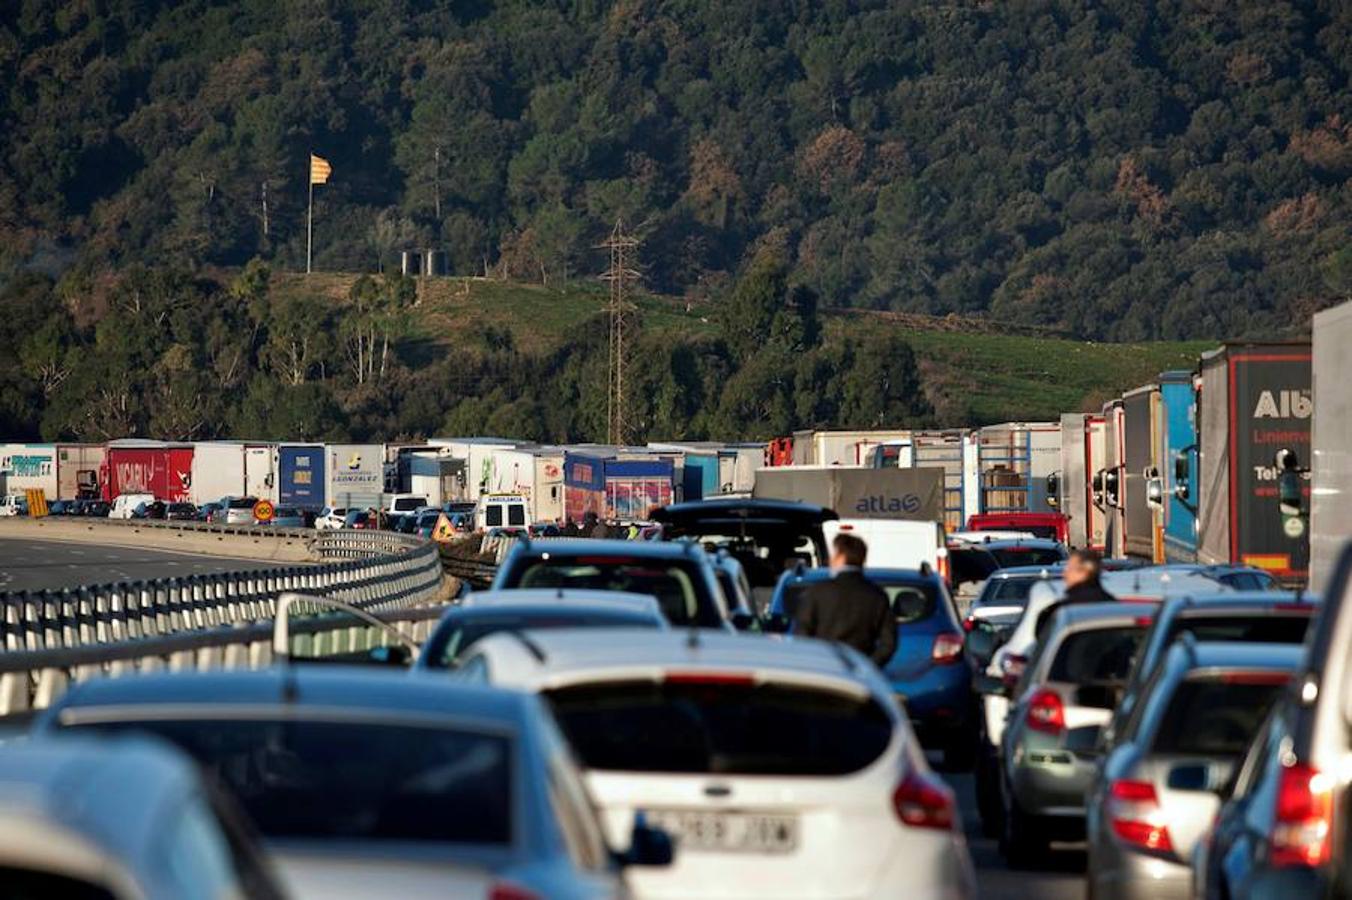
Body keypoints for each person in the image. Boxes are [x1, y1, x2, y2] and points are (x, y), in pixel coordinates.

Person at [794, 533, 897, 667]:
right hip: (859, 669)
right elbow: (888, 643)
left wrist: (814, 662)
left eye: (834, 555)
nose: (830, 560)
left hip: (823, 667)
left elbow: (802, 633)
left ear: (841, 557)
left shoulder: (818, 591)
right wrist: (868, 666)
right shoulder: (877, 595)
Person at [1034, 548, 1115, 640]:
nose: (1065, 574)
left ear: (1084, 572)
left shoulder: (1064, 610)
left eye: (1069, 569)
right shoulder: (1113, 606)